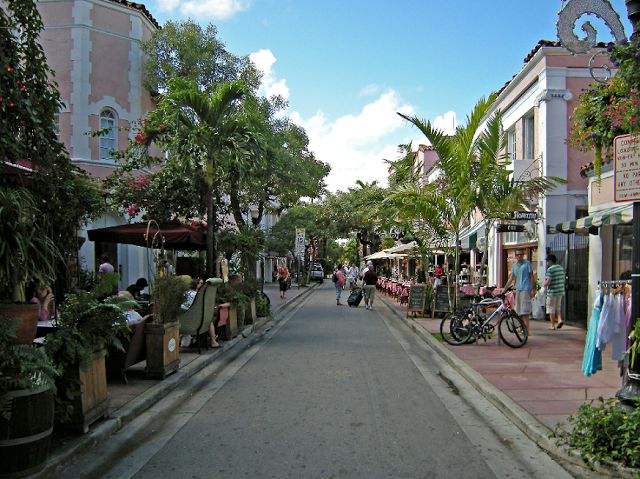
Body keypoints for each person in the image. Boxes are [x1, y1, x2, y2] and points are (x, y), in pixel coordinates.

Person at [502, 249, 535, 332]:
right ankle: (521, 327)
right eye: (518, 255)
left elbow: (531, 276)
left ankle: (526, 330)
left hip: (525, 288)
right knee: (518, 310)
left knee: (525, 310)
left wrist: (532, 289)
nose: (520, 256)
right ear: (515, 256)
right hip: (518, 289)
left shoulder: (527, 264)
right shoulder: (515, 266)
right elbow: (512, 278)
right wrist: (505, 288)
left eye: (521, 254)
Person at [543, 254, 565, 330]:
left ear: (549, 261)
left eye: (547, 261)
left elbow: (548, 280)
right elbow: (563, 279)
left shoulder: (550, 269)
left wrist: (543, 285)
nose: (546, 262)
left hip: (552, 291)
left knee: (550, 307)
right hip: (560, 290)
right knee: (558, 306)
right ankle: (559, 320)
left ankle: (552, 325)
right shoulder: (560, 268)